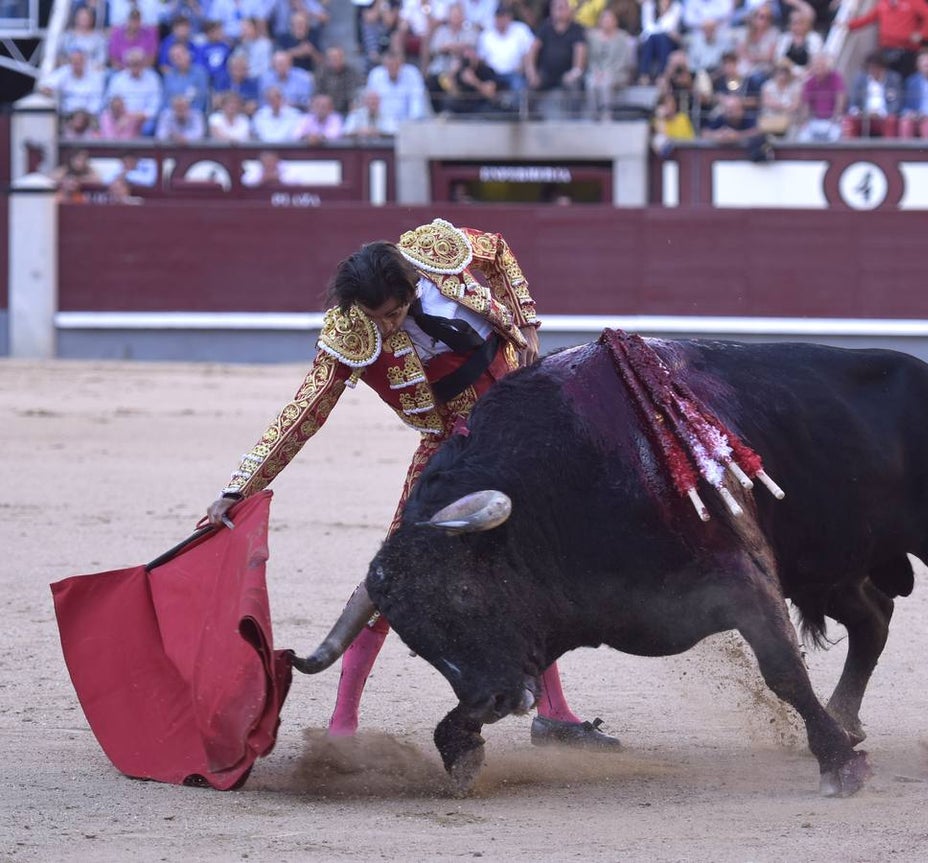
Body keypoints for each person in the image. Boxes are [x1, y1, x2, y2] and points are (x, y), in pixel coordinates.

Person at [203, 220, 621, 749]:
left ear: (410, 286)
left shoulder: (437, 254)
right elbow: (303, 414)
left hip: (520, 430)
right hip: (450, 447)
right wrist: (239, 487)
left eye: (395, 312)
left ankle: (555, 714)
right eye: (377, 318)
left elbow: (498, 252)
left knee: (536, 563)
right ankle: (342, 728)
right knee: (392, 575)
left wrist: (527, 323)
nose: (388, 325)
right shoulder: (350, 335)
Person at [846, 0, 928, 81]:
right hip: (886, 51)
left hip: (907, 51)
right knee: (888, 81)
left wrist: (922, 34)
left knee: (906, 81)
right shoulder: (883, 3)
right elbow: (868, 18)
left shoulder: (913, 1)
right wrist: (849, 25)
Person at [526, 0, 588, 119]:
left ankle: (575, 120)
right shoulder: (545, 27)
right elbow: (532, 51)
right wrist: (532, 73)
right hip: (546, 73)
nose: (560, 11)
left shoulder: (576, 29)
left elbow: (580, 52)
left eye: (563, 8)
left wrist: (575, 72)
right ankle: (530, 119)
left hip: (568, 73)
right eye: (557, 8)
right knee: (530, 87)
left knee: (575, 86)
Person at [844, 51, 903, 138]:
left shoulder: (893, 79)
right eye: (871, 68)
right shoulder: (860, 80)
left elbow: (896, 104)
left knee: (891, 120)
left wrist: (880, 113)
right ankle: (850, 150)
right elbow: (853, 103)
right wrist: (861, 113)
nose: (874, 71)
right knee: (849, 120)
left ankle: (889, 150)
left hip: (884, 117)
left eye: (877, 68)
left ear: (883, 68)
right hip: (864, 117)